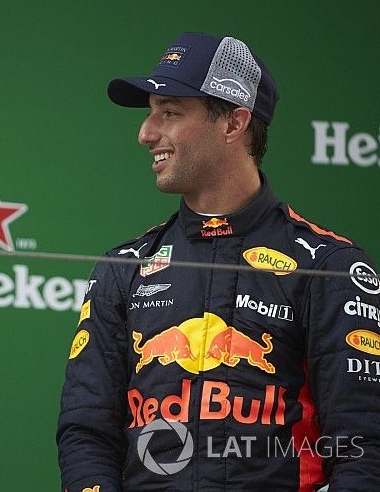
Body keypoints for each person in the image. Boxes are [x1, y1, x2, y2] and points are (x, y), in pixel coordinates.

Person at [56, 32, 380, 491]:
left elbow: (364, 446)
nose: (146, 133)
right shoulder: (123, 268)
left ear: (234, 123)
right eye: (151, 113)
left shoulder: (330, 266)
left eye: (168, 113)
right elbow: (86, 434)